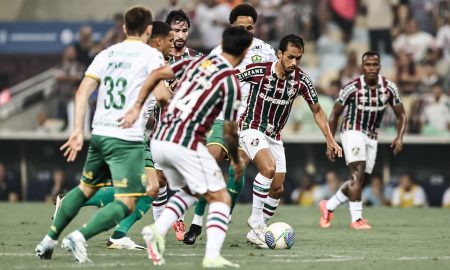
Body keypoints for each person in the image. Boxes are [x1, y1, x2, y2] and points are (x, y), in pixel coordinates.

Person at [35, 6, 164, 263]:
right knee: (129, 200)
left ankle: (48, 240)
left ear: (125, 28)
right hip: (127, 137)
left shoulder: (107, 53)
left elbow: (81, 92)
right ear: (149, 30)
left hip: (100, 133)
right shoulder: (152, 56)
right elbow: (162, 96)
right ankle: (80, 236)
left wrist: (76, 131)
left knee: (85, 188)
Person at [119, 26, 253, 268]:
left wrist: (137, 105)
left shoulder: (194, 63)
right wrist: (235, 160)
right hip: (185, 143)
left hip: (160, 139)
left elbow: (155, 75)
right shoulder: (230, 82)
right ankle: (212, 256)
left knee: (192, 190)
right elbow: (231, 131)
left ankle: (156, 230)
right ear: (244, 51)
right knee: (221, 196)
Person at [183, 3, 278, 245]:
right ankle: (196, 222)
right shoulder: (218, 52)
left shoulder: (266, 51)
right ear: (231, 27)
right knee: (211, 158)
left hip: (251, 120)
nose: (246, 32)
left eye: (250, 27)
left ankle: (223, 218)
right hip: (222, 116)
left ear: (255, 27)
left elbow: (275, 84)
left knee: (241, 166)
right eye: (240, 27)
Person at [235, 34, 341, 248]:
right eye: (290, 57)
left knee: (277, 189)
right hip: (251, 127)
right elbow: (230, 80)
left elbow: (317, 110)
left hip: (274, 136)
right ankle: (256, 223)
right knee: (268, 168)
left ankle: (258, 231)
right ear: (280, 54)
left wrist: (330, 139)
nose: (294, 63)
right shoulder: (260, 71)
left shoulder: (301, 80)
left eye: (298, 59)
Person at [321, 51, 407, 230]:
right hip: (352, 131)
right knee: (357, 173)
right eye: (368, 64)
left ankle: (328, 206)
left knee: (361, 181)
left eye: (375, 64)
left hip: (372, 136)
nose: (371, 68)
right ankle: (357, 219)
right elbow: (335, 114)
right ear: (362, 67)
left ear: (380, 67)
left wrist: (399, 136)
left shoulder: (389, 88)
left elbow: (402, 115)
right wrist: (330, 140)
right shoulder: (351, 87)